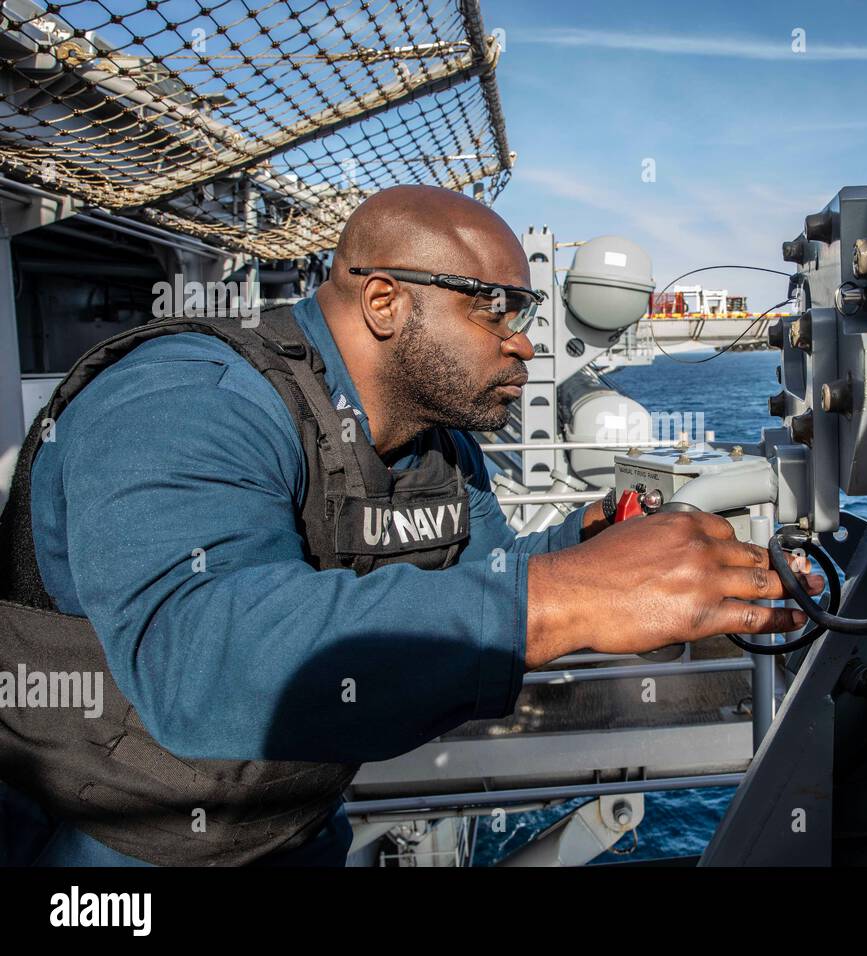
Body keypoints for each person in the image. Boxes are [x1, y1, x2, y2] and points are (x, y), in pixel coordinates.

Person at [0, 185, 821, 866]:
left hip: (293, 824)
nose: (527, 343)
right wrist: (569, 596)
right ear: (386, 301)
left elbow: (494, 574)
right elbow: (202, 659)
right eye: (495, 309)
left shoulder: (436, 445)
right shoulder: (187, 400)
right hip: (101, 846)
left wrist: (586, 547)